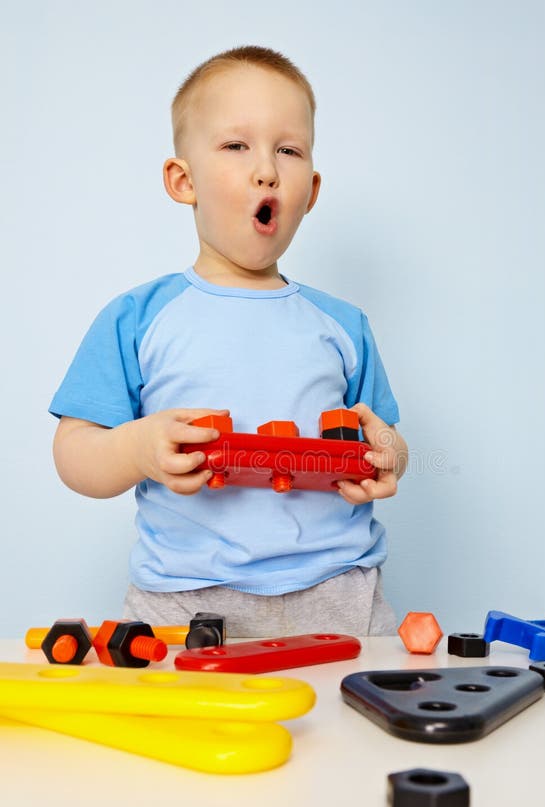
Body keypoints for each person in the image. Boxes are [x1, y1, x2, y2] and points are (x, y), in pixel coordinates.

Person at [49, 46, 408, 636]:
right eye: (236, 146)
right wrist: (139, 450)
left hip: (341, 592)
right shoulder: (138, 317)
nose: (266, 168)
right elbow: (73, 451)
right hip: (184, 600)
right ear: (183, 180)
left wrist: (389, 455)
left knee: (354, 726)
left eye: (287, 150)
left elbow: (389, 437)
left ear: (310, 191)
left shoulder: (343, 324)